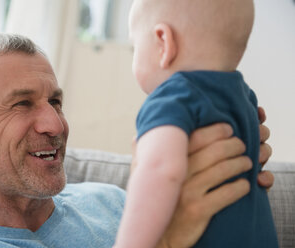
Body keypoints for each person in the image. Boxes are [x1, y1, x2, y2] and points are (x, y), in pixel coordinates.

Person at [0, 34, 273, 248]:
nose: (56, 124)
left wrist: (228, 179)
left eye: (56, 102)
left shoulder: (115, 203)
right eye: (22, 103)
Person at [115, 0, 278, 247]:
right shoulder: (246, 97)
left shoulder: (172, 96)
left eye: (134, 46)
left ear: (163, 43)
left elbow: (160, 170)